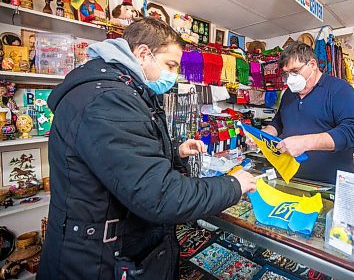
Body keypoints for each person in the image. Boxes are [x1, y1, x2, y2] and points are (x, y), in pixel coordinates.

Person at [37, 18, 256, 280]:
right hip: (97, 261)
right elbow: (161, 195)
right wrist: (233, 185)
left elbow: (120, 161)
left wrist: (175, 152)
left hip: (104, 249)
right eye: (170, 65)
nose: (173, 76)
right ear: (143, 54)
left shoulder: (117, 91)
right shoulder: (109, 100)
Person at [249, 42, 354, 184]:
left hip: (330, 184)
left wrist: (305, 142)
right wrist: (263, 135)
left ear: (313, 65)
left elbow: (353, 132)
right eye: (287, 74)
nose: (291, 79)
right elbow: (279, 122)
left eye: (295, 71)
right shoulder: (289, 94)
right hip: (291, 180)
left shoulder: (340, 89)